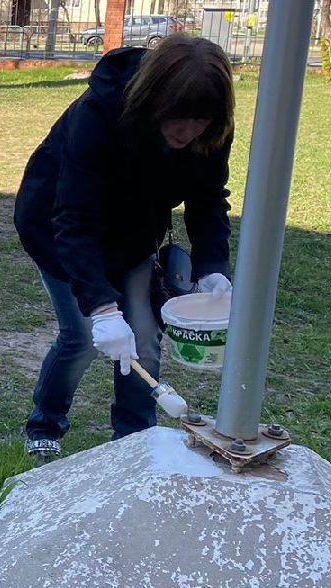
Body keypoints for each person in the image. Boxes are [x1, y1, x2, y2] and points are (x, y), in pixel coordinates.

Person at [13, 34, 236, 460]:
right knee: (81, 336)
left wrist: (212, 266)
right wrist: (101, 307)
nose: (187, 132)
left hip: (134, 233)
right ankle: (45, 425)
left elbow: (208, 197)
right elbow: (72, 218)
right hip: (57, 227)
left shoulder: (211, 126)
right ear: (154, 101)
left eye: (201, 122)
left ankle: (134, 442)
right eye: (178, 119)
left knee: (144, 337)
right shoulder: (99, 115)